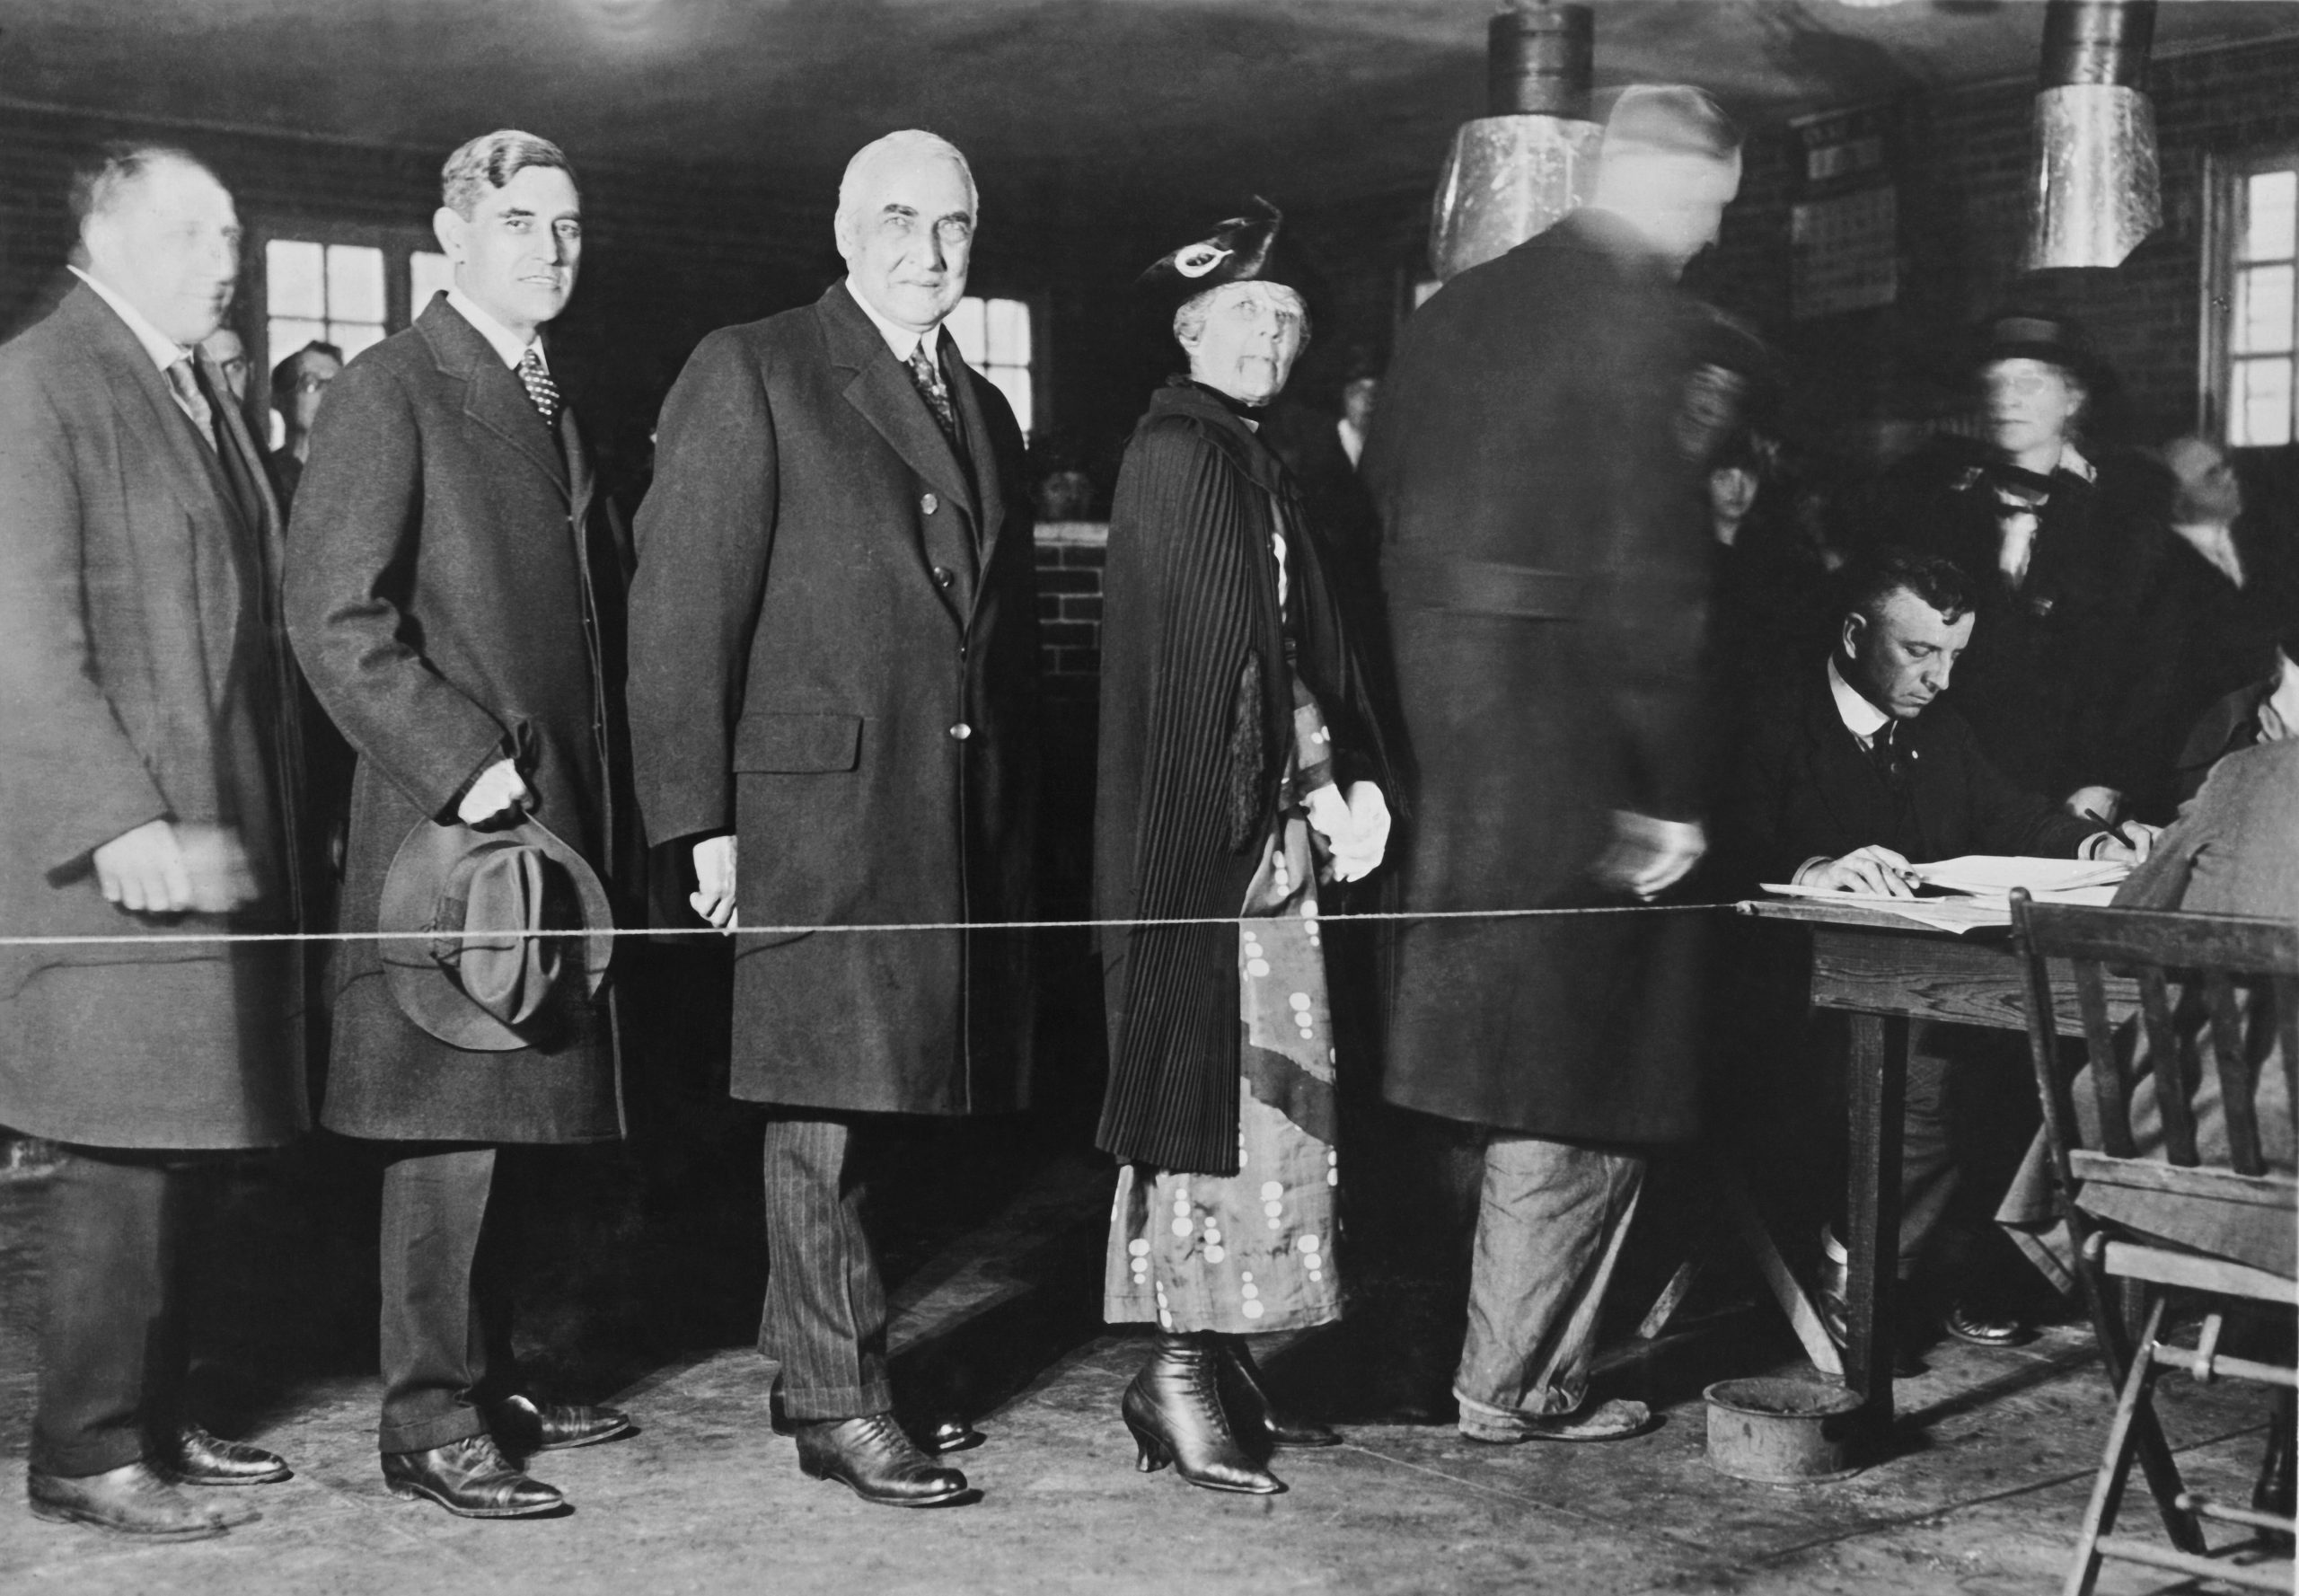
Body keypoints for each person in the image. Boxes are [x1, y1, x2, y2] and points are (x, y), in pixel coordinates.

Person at [626, 128, 1038, 1511]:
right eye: (903, 220)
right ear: (847, 226)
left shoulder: (980, 403)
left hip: (934, 813)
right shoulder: (752, 366)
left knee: (886, 1107)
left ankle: (818, 1358)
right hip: (809, 811)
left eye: (957, 226)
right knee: (825, 1112)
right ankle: (837, 1399)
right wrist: (699, 824)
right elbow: (680, 614)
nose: (931, 250)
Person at [1364, 84, 1739, 1444]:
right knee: (1587, 1085)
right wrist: (1662, 789)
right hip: (1583, 751)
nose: (1704, 234)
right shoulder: (1642, 319)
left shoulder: (1455, 308)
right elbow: (1657, 576)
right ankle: (1513, 1381)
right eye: (1704, 203)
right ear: (1661, 178)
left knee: (1500, 1073)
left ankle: (1495, 1360)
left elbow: (1384, 514)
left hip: (1453, 744)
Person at [286, 129, 637, 1520]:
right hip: (460, 824)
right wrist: (459, 759)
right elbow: (336, 618)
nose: (550, 246)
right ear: (451, 239)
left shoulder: (548, 390)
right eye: (520, 222)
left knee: (510, 1101)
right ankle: (427, 1418)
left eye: (566, 224)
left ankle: (485, 1378)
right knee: (450, 1116)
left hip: (544, 824)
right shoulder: (390, 388)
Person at [0, 143, 305, 1539]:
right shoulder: (42, 381)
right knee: (121, 1150)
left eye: (232, 234)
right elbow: (23, 646)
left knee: (183, 1140)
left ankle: (158, 1418)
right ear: (109, 236)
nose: (225, 259)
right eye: (196, 234)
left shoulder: (195, 386)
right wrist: (115, 814)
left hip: (211, 825)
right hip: (118, 842)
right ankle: (84, 1448)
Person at [1095, 201, 1392, 1496]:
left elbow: (1290, 647)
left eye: (1289, 317)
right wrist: (1324, 778)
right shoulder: (1184, 452)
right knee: (1209, 1092)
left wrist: (1338, 775)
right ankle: (1175, 1366)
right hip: (1209, 842)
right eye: (1245, 313)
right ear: (1189, 326)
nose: (1270, 333)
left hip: (1259, 836)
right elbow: (1227, 663)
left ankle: (1219, 1363)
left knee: (1266, 1107)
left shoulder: (1253, 456)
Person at [1725, 550, 2158, 1360]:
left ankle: (1987, 1272)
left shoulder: (1940, 733)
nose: (1940, 679)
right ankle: (1856, 1271)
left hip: (1915, 985)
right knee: (1937, 1070)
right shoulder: (1770, 721)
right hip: (1778, 1001)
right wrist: (1813, 870)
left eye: (1954, 655)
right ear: (1855, 635)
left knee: (2056, 1051)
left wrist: (2097, 844)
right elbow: (1723, 848)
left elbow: (2016, 819)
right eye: (1919, 652)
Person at [1867, 312, 2174, 824]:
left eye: (2029, 384)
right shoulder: (1936, 514)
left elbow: (2152, 673)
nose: (2007, 400)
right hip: (1955, 795)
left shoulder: (2125, 523)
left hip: (2080, 802)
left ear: (2072, 400)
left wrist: (2113, 779)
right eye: (1996, 385)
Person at [265, 339, 340, 510]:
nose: (328, 395)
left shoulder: (358, 473)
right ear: (280, 399)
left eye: (337, 385)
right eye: (311, 383)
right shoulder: (265, 475)